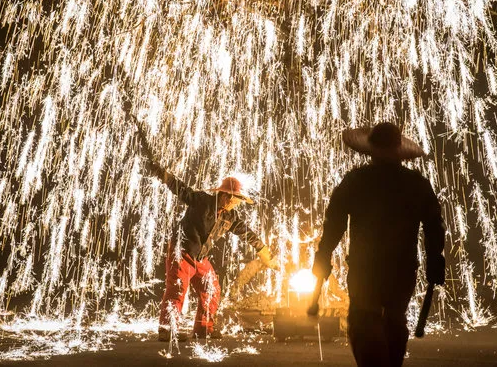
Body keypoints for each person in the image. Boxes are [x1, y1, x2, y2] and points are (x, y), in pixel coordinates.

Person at [311, 122, 445, 367]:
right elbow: (434, 225)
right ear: (398, 150)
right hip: (402, 268)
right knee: (394, 320)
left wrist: (323, 254)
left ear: (371, 150)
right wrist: (435, 258)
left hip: (365, 269)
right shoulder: (416, 183)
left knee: (363, 321)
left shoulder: (357, 180)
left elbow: (334, 223)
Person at [133, 125, 277, 342]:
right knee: (177, 289)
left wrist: (262, 249)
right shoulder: (202, 201)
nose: (236, 203)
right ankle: (167, 330)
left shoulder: (229, 217)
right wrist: (164, 175)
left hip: (199, 257)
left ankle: (204, 328)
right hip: (182, 252)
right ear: (225, 195)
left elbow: (246, 232)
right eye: (234, 198)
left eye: (237, 200)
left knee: (212, 287)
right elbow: (181, 189)